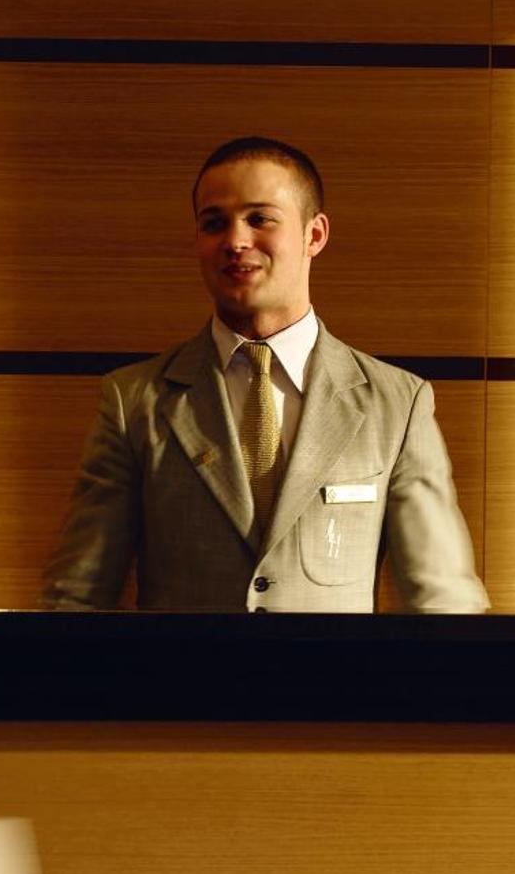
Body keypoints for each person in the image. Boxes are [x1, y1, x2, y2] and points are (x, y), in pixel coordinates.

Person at [41, 136, 488, 613]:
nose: (235, 241)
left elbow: (443, 602)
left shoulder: (396, 403)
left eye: (260, 219)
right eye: (214, 223)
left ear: (313, 235)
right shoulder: (136, 401)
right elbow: (77, 597)